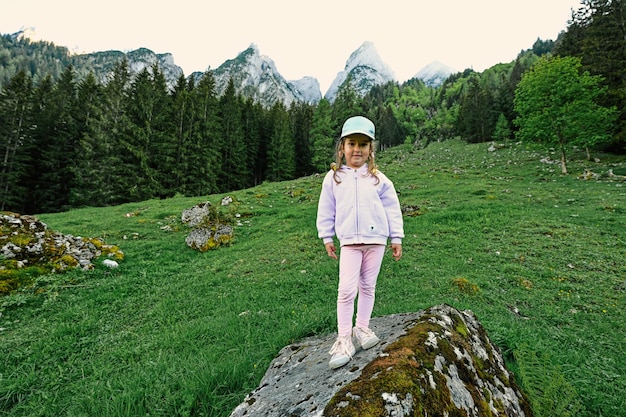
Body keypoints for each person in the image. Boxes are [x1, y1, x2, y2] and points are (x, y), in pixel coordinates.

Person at [316, 115, 404, 369]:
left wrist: (395, 237)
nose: (357, 149)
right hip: (349, 244)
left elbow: (392, 209)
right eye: (352, 143)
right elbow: (326, 209)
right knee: (346, 290)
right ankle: (344, 339)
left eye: (363, 145)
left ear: (370, 149)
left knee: (368, 286)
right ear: (342, 147)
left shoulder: (379, 179)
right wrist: (326, 236)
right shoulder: (334, 178)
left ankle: (362, 328)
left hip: (376, 241)